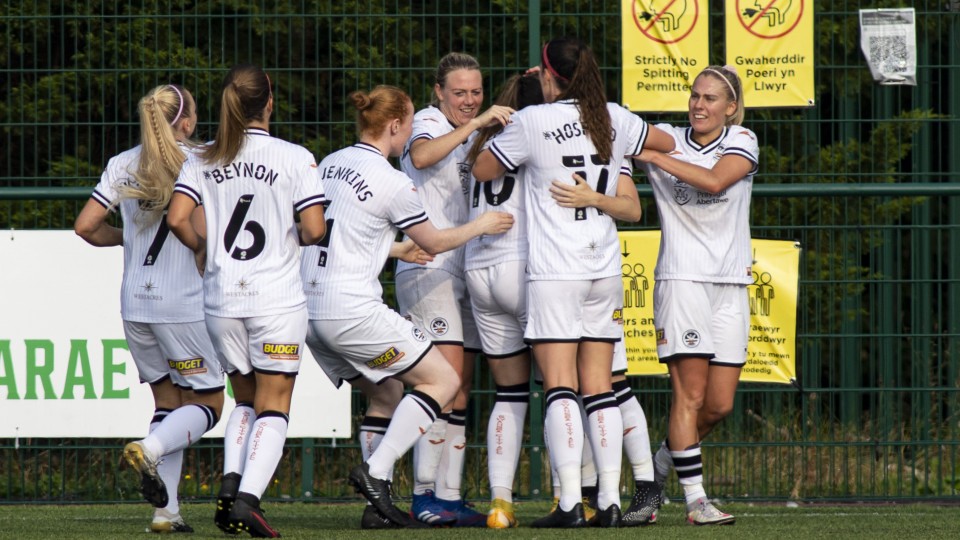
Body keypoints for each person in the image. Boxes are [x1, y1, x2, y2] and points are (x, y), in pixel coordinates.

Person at [473, 36, 674, 528]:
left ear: (548, 74)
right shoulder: (612, 117)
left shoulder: (533, 120)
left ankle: (568, 504)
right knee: (601, 387)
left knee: (560, 385)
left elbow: (482, 168)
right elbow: (666, 143)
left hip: (555, 270)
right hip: (603, 265)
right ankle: (609, 499)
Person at [295, 85, 513, 528]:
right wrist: (482, 225)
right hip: (350, 311)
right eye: (410, 123)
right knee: (444, 380)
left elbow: (327, 231)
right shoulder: (392, 181)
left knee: (387, 394)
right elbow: (435, 242)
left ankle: (376, 509)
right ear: (395, 125)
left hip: (309, 314)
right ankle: (375, 473)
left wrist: (393, 250)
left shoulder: (331, 162)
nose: (413, 130)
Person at [167, 64, 327, 538]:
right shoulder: (295, 157)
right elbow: (315, 229)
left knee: (245, 399)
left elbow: (177, 218)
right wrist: (293, 235)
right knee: (275, 404)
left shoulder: (203, 157)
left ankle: (230, 486)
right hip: (275, 300)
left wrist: (202, 249)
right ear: (269, 102)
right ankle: (247, 501)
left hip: (221, 300)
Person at [74, 84, 224, 534]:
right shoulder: (202, 160)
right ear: (188, 121)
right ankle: (151, 449)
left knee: (168, 402)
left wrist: (128, 241)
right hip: (183, 305)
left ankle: (166, 513)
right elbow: (203, 231)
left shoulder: (123, 162)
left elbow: (85, 226)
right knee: (210, 402)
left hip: (135, 303)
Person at [635, 64, 757, 526]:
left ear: (730, 107)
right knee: (689, 395)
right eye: (695, 95)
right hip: (682, 279)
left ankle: (655, 471)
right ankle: (695, 501)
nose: (699, 105)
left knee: (719, 404)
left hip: (731, 283)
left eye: (710, 98)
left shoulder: (742, 139)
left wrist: (653, 157)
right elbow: (613, 130)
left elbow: (715, 180)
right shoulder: (668, 136)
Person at [397, 51, 514, 527]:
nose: (469, 100)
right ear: (439, 93)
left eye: (476, 92)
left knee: (460, 390)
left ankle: (449, 497)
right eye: (460, 92)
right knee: (441, 385)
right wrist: (478, 122)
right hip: (428, 268)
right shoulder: (428, 122)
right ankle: (423, 495)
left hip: (464, 266)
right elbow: (422, 156)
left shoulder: (474, 129)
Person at [462, 71, 542, 528]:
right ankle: (575, 496)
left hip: (479, 268)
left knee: (509, 392)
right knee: (565, 386)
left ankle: (500, 502)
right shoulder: (539, 133)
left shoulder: (485, 139)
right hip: (522, 266)